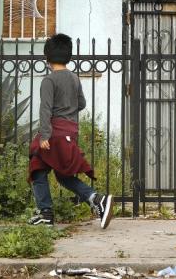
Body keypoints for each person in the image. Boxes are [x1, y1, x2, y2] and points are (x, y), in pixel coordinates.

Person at [27, 33, 113, 228]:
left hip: (54, 133)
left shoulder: (49, 80)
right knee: (43, 168)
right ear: (68, 56)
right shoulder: (74, 78)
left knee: (41, 165)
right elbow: (81, 103)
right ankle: (49, 213)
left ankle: (93, 200)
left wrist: (45, 135)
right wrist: (68, 111)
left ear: (47, 57)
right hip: (69, 131)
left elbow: (45, 109)